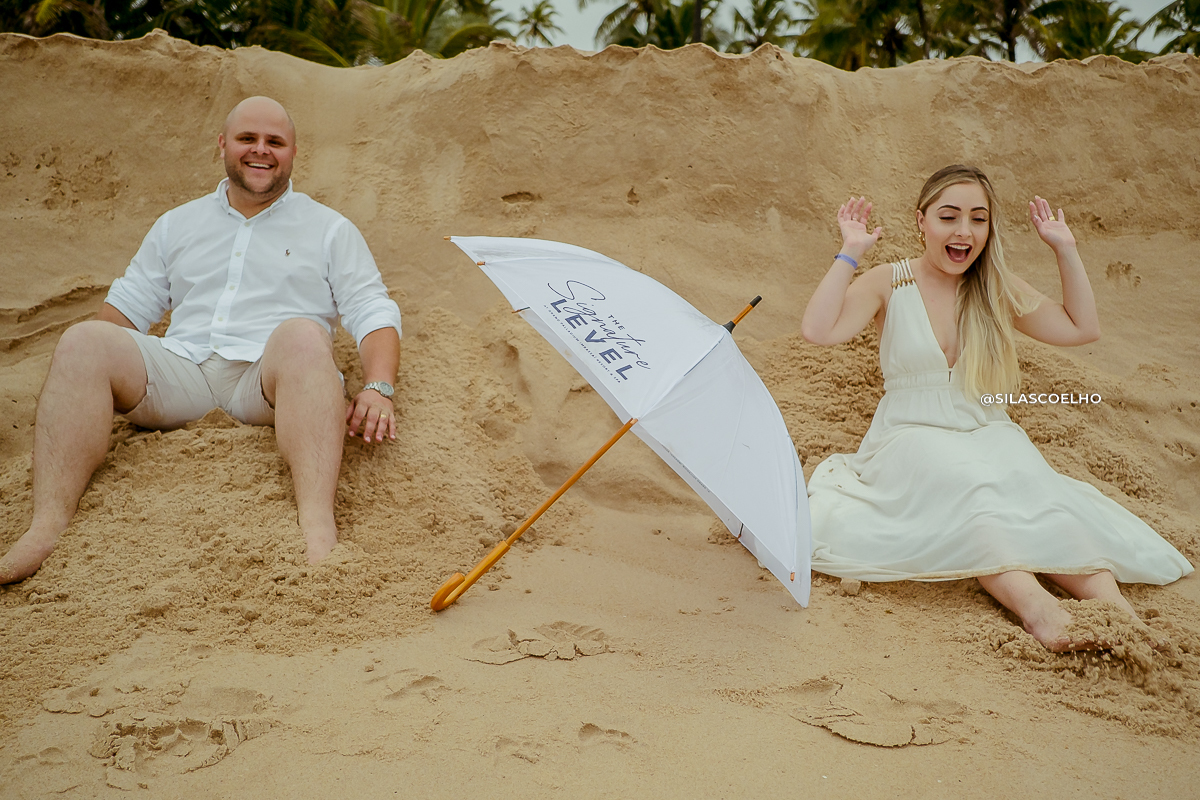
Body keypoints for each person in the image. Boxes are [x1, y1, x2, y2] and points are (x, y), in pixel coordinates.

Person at [0, 96, 402, 584]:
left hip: (268, 384)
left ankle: (317, 527)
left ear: (294, 152)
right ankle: (45, 526)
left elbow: (371, 308)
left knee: (303, 333)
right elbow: (127, 308)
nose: (261, 151)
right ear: (222, 145)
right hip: (181, 373)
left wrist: (379, 386)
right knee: (85, 339)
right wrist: (90, 383)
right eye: (247, 139)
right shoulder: (178, 224)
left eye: (275, 142)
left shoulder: (330, 229)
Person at [799, 164, 1192, 652]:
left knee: (1043, 498)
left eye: (978, 219)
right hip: (911, 432)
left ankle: (1123, 618)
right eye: (949, 216)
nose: (964, 231)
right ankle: (1041, 613)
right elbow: (818, 331)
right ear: (921, 222)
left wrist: (1065, 249)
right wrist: (849, 254)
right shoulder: (889, 282)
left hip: (986, 424)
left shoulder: (994, 287)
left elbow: (1080, 328)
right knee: (978, 502)